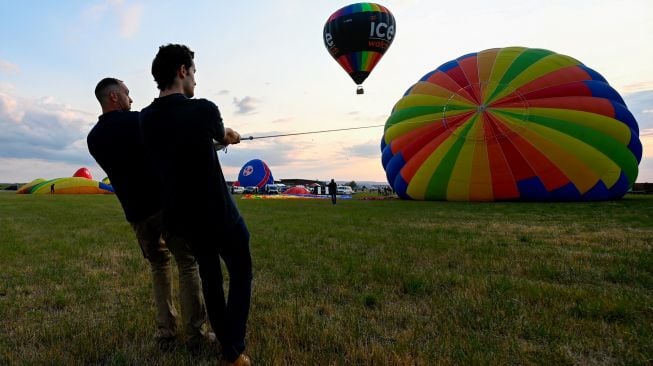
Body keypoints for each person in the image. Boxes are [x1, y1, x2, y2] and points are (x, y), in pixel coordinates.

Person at [139, 44, 253, 366]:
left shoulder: (146, 119)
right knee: (242, 272)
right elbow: (222, 134)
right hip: (220, 212)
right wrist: (231, 135)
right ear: (182, 71)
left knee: (210, 278)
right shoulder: (203, 109)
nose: (195, 81)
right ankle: (232, 347)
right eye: (194, 73)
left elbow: (184, 147)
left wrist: (214, 139)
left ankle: (226, 342)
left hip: (186, 219)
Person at [87, 78, 213, 351]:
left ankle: (166, 333)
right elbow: (174, 145)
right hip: (164, 206)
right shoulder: (138, 122)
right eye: (127, 93)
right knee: (187, 263)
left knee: (159, 265)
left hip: (136, 214)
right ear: (113, 97)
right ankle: (196, 336)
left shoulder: (93, 139)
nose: (131, 99)